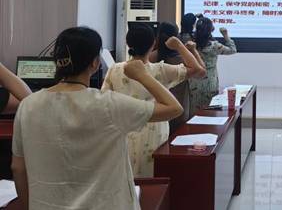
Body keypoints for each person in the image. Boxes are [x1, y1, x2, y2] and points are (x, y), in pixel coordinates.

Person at [11, 27, 183, 210]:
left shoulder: (28, 106)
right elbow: (174, 108)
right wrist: (142, 75)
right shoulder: (110, 105)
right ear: (95, 63)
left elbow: (18, 168)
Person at [102, 24, 205, 177]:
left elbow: (104, 100)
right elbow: (197, 69)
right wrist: (179, 45)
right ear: (153, 44)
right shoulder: (160, 70)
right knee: (152, 177)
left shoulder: (114, 69)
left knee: (125, 175)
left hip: (124, 128)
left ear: (128, 43)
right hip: (154, 131)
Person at [150, 22, 205, 131]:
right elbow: (201, 72)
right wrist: (192, 50)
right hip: (179, 109)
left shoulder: (151, 57)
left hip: (157, 110)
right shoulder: (182, 59)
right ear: (176, 37)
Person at [190, 17, 237, 114]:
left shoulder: (191, 45)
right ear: (211, 30)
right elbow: (232, 50)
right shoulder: (214, 46)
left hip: (194, 83)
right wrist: (225, 35)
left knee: (195, 113)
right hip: (210, 83)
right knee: (210, 112)